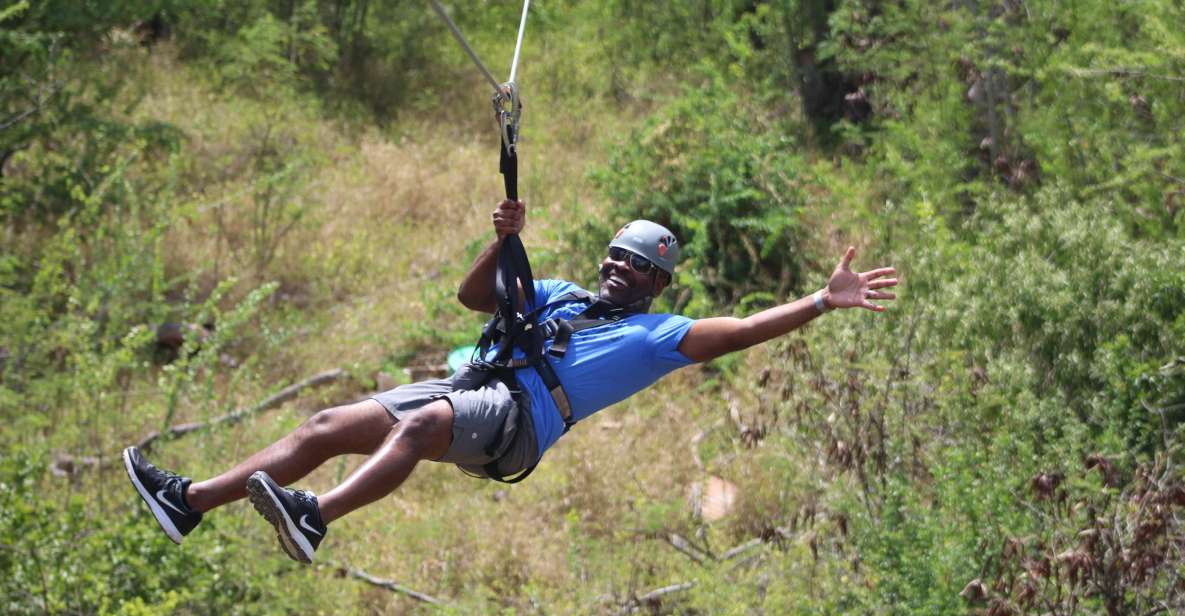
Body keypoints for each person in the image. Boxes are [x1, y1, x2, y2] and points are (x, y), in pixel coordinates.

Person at [123, 198, 898, 563]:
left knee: (420, 428)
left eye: (635, 265)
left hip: (518, 420)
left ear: (656, 284)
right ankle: (186, 501)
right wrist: (503, 243)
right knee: (326, 425)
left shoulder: (655, 335)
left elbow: (744, 330)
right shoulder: (558, 291)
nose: (617, 268)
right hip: (473, 384)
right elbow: (470, 299)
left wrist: (821, 303)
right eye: (615, 256)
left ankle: (315, 516)